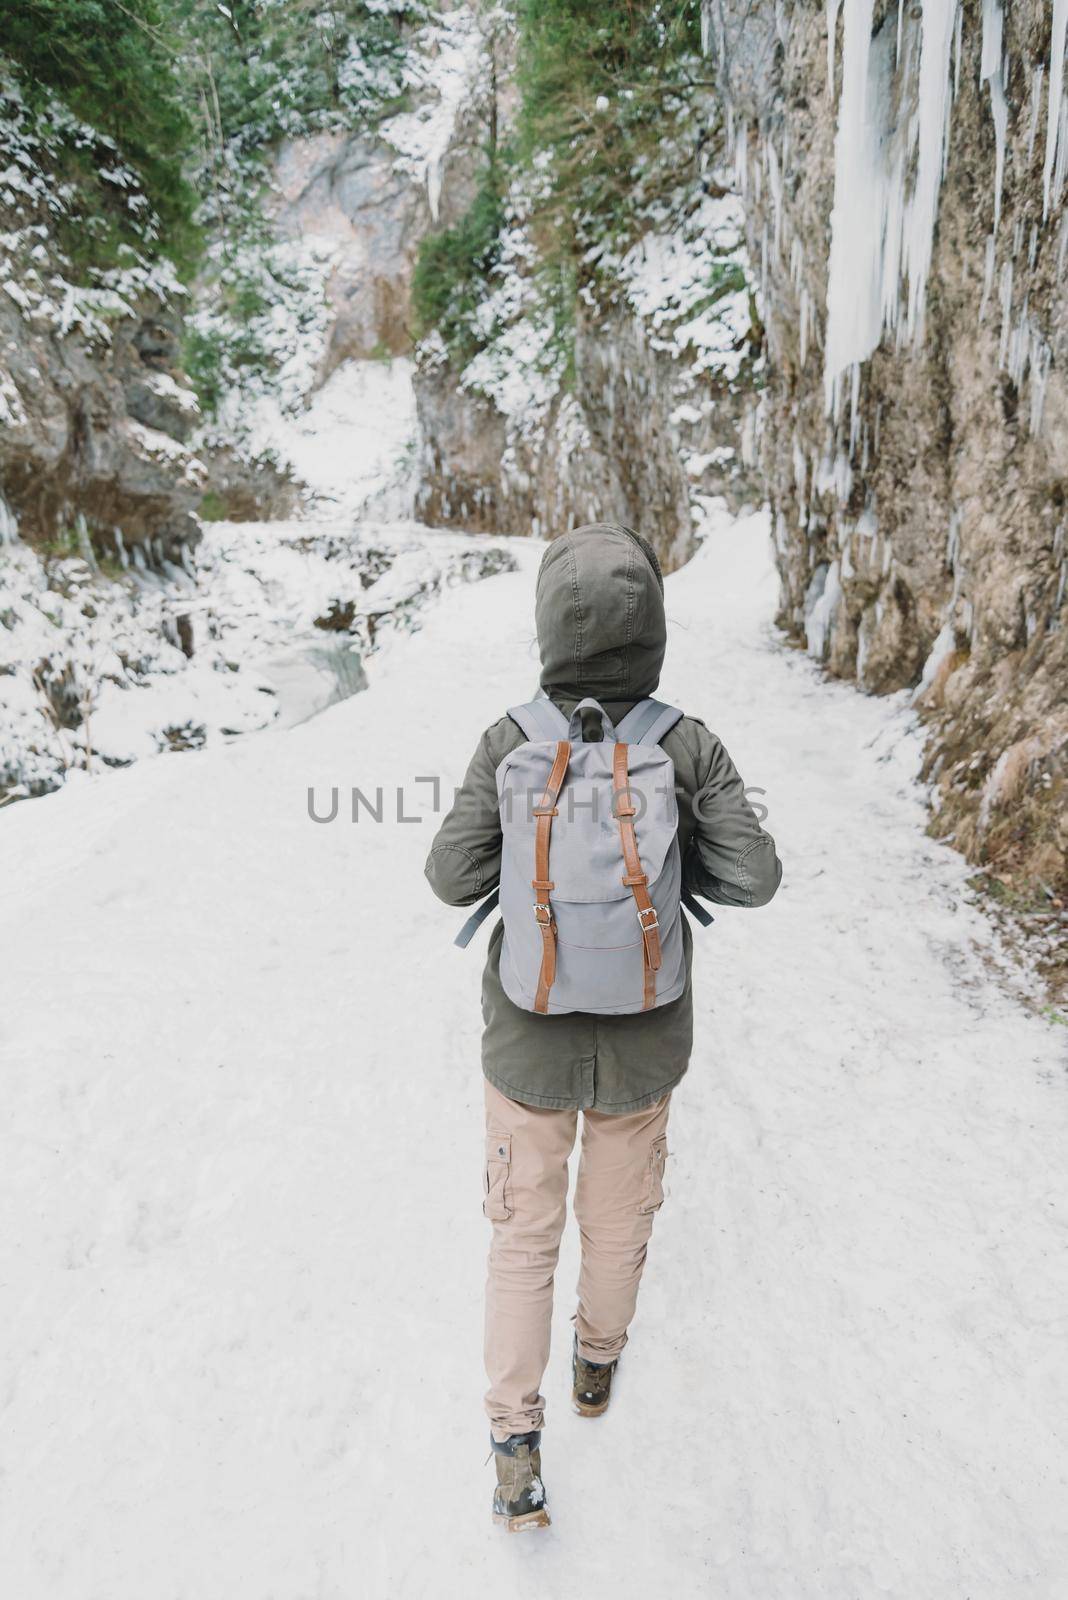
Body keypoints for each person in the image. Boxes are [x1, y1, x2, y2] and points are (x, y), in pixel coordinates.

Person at [425, 523, 782, 1531]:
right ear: (652, 631)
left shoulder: (508, 739)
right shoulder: (687, 741)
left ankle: (513, 1447)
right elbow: (757, 876)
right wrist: (671, 879)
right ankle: (596, 1365)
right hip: (645, 1035)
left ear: (547, 628)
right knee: (618, 1223)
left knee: (521, 1234)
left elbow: (447, 876)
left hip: (524, 1040)